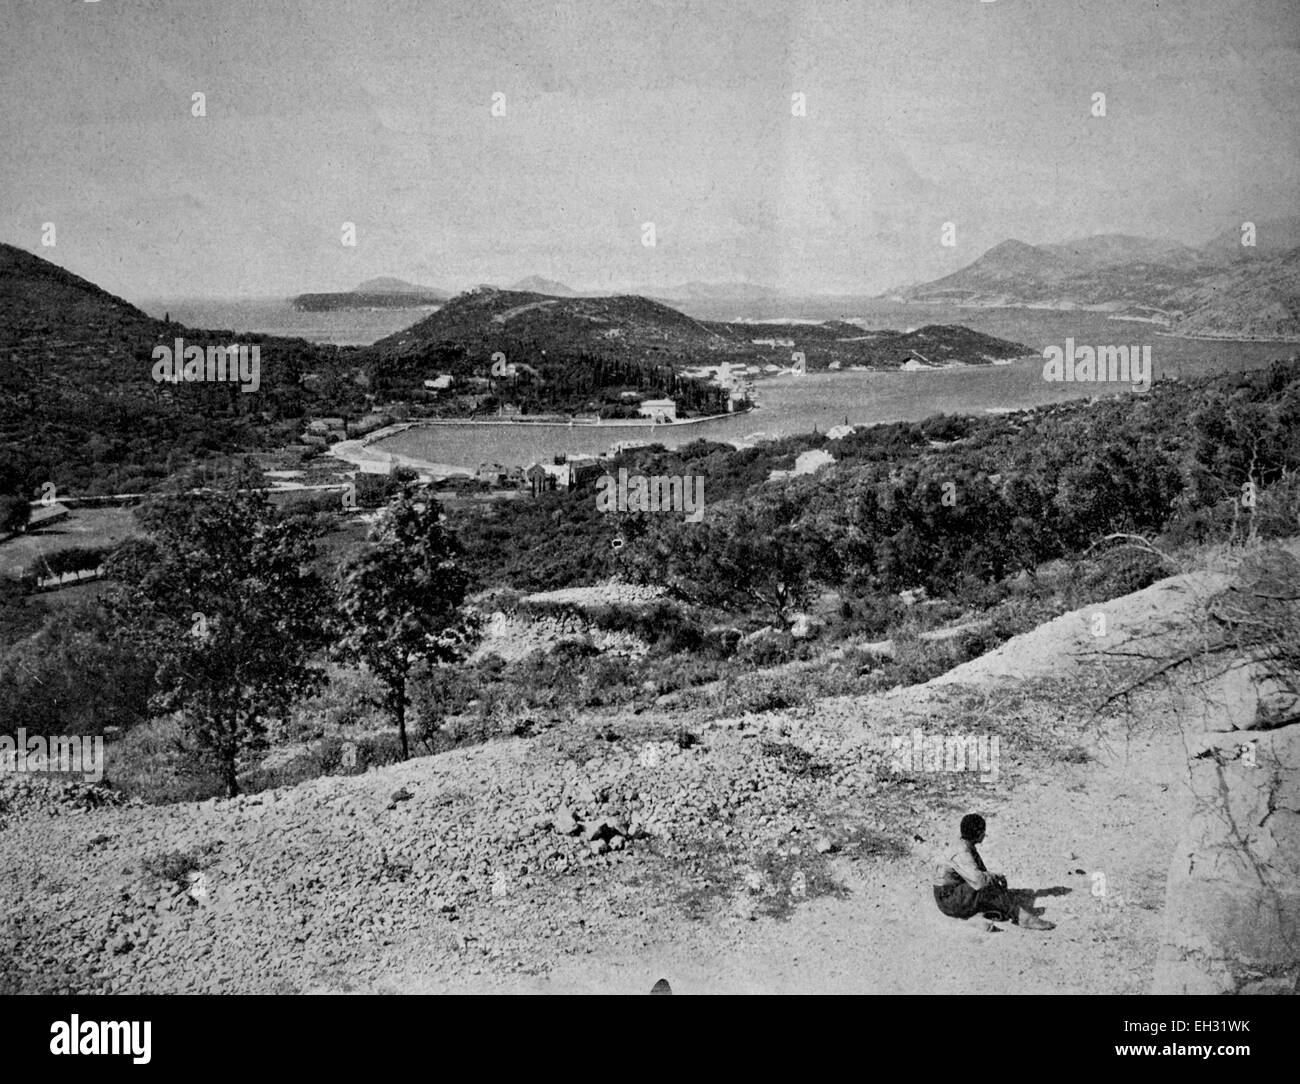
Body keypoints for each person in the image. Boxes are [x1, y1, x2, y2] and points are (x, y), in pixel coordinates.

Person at [932, 813, 1054, 930]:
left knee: (990, 886)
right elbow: (979, 882)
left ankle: (979, 917)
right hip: (949, 899)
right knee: (986, 888)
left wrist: (994, 879)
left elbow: (979, 871)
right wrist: (995, 879)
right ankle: (1021, 917)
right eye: (983, 832)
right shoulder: (962, 852)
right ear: (979, 834)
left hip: (951, 894)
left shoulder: (964, 844)